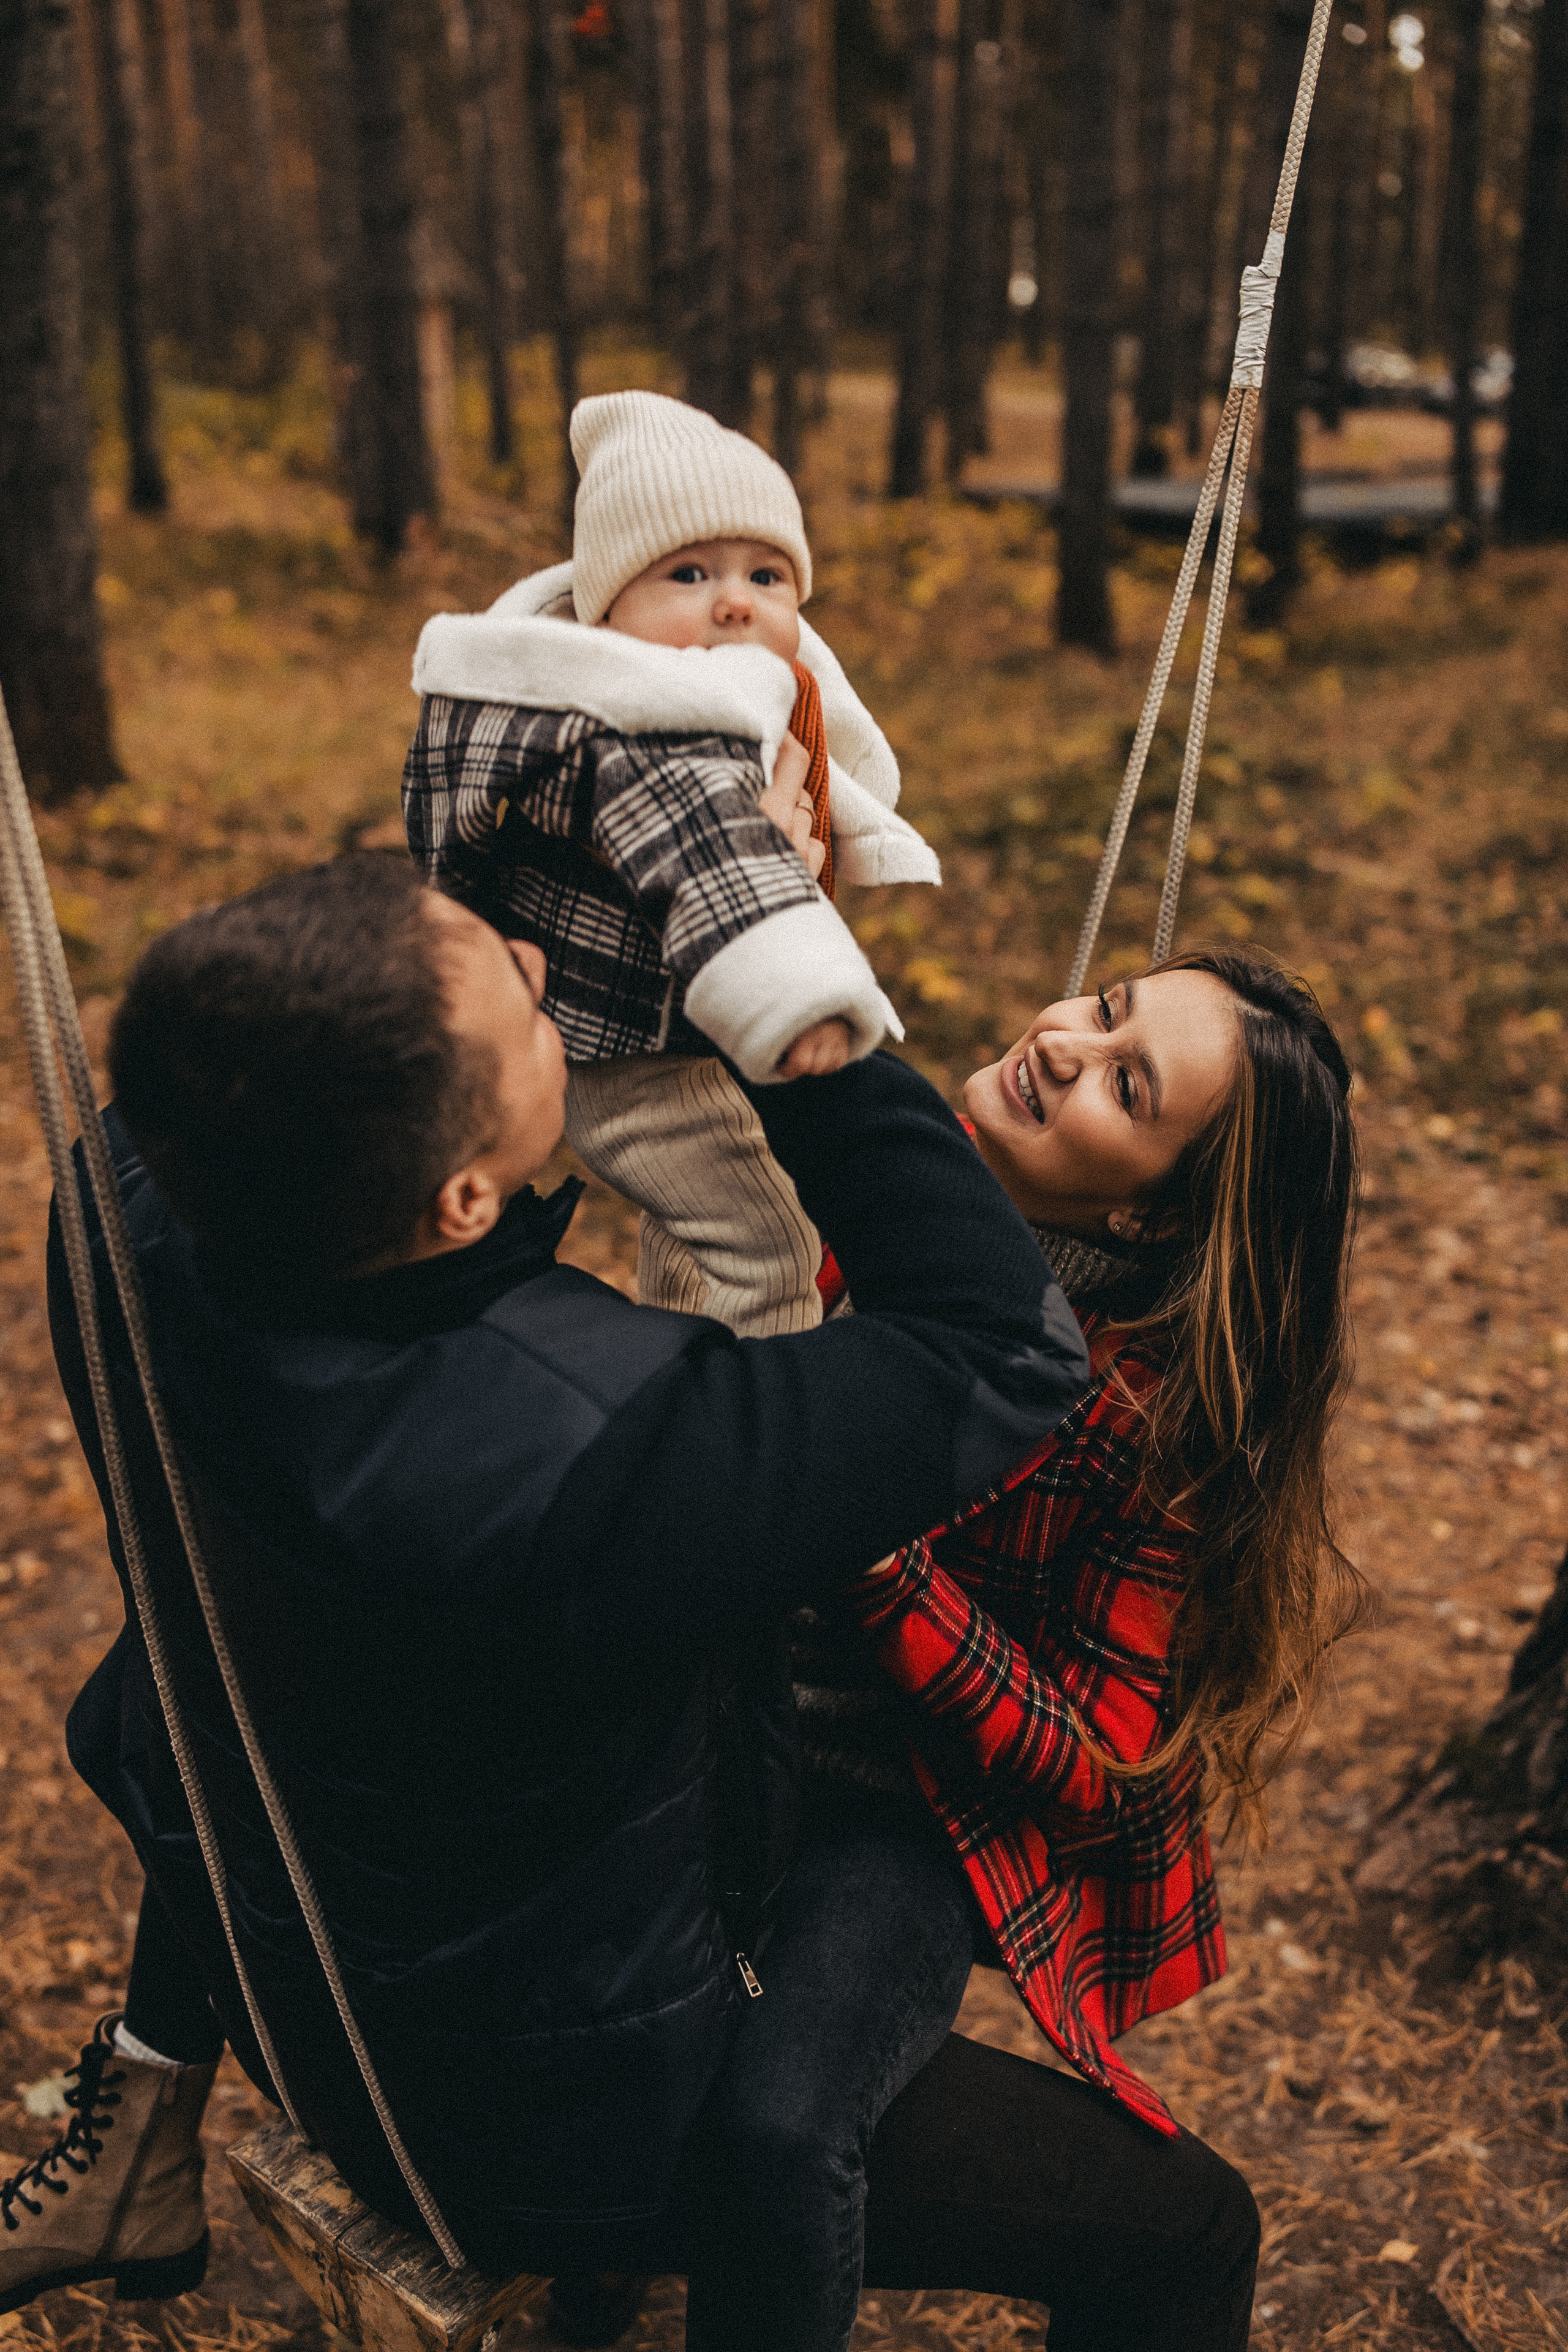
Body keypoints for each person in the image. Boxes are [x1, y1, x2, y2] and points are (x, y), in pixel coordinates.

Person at [6, 851, 1091, 2315]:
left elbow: (326, 998)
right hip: (531, 2121)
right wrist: (778, 988)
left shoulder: (127, 1192)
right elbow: (999, 1347)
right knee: (1187, 2232)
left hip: (300, 1991)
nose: (535, 963)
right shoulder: (585, 1448)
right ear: (462, 1198)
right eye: (523, 1000)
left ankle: (147, 2110)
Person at [692, 949, 1359, 2352]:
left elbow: (1101, 1758)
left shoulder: (1149, 1418)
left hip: (904, 1813)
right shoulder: (902, 1185)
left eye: (1128, 1084)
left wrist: (877, 1559)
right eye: (1104, 1008)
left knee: (781, 2128)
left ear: (1146, 1208)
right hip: (722, 1721)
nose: (1064, 1042)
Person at [404, 386, 940, 1338]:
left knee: (705, 1226)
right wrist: (799, 998)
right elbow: (714, 859)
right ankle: (745, 1405)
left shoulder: (708, 683)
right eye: (688, 573)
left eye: (767, 575)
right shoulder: (638, 726)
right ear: (608, 611)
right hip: (628, 1057)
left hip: (663, 1023)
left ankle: (677, 1349)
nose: (735, 600)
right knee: (766, 1243)